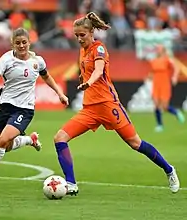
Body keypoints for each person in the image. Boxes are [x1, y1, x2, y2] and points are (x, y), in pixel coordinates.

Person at [53, 12, 180, 195]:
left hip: (108, 105)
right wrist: (84, 78)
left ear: (91, 33)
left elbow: (98, 70)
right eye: (76, 35)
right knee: (60, 138)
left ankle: (169, 169)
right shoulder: (82, 51)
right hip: (90, 108)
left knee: (135, 143)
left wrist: (89, 82)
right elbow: (87, 71)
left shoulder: (99, 49)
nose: (79, 39)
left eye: (82, 35)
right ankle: (71, 184)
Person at [0, 27, 69, 189]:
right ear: (12, 45)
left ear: (30, 43)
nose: (21, 46)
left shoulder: (37, 62)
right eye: (18, 43)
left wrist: (60, 93)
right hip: (6, 106)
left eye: (24, 42)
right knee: (5, 146)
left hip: (25, 109)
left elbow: (47, 77)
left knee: (2, 141)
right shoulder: (6, 59)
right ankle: (30, 139)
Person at [149, 45, 185, 132]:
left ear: (163, 51)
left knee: (164, 106)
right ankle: (159, 125)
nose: (157, 50)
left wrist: (174, 77)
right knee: (156, 105)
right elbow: (152, 72)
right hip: (156, 85)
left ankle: (176, 112)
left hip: (164, 84)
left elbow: (176, 67)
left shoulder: (167, 60)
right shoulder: (153, 61)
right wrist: (149, 77)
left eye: (159, 49)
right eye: (157, 49)